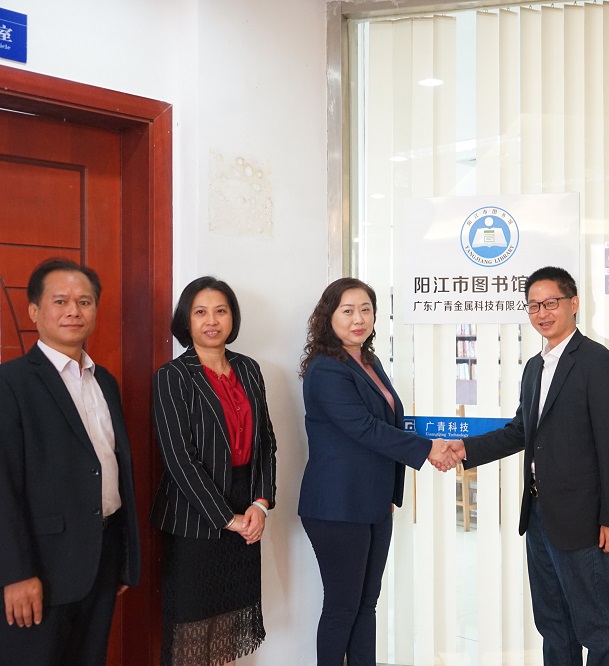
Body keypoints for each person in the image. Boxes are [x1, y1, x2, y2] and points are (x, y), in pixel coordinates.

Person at [447, 266, 609, 666]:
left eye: (550, 303)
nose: (542, 313)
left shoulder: (597, 362)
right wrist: (464, 449)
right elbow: (522, 430)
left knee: (598, 626)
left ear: (574, 303)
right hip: (538, 513)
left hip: (583, 518)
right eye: (533, 306)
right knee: (553, 623)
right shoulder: (535, 366)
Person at [297, 277, 455, 666]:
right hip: (337, 505)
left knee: (367, 604)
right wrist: (428, 448)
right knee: (342, 606)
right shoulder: (325, 369)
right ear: (328, 316)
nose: (358, 319)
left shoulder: (369, 361)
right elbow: (365, 429)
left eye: (365, 310)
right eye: (348, 311)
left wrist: (389, 492)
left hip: (373, 502)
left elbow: (386, 423)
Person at [0, 258, 141, 665]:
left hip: (102, 556)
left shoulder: (104, 382)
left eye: (84, 301)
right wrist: (15, 573)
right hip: (41, 566)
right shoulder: (10, 383)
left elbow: (111, 467)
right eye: (60, 301)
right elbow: (3, 486)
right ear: (34, 311)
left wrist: (124, 557)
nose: (73, 311)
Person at [150, 276, 277, 665]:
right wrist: (228, 518)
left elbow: (265, 442)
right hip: (195, 517)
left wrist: (259, 504)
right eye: (200, 312)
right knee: (191, 631)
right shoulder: (172, 376)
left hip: (246, 508)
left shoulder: (249, 369)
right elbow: (179, 459)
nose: (211, 320)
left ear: (232, 318)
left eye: (220, 311)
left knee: (227, 628)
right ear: (186, 320)